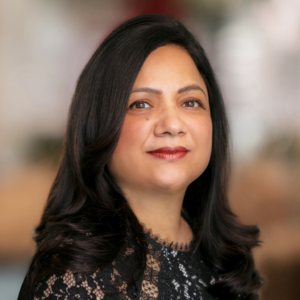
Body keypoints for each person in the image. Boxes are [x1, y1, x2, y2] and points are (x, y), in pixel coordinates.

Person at [18, 14, 263, 300]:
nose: (172, 125)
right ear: (99, 125)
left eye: (190, 102)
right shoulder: (73, 281)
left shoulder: (228, 258)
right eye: (141, 104)